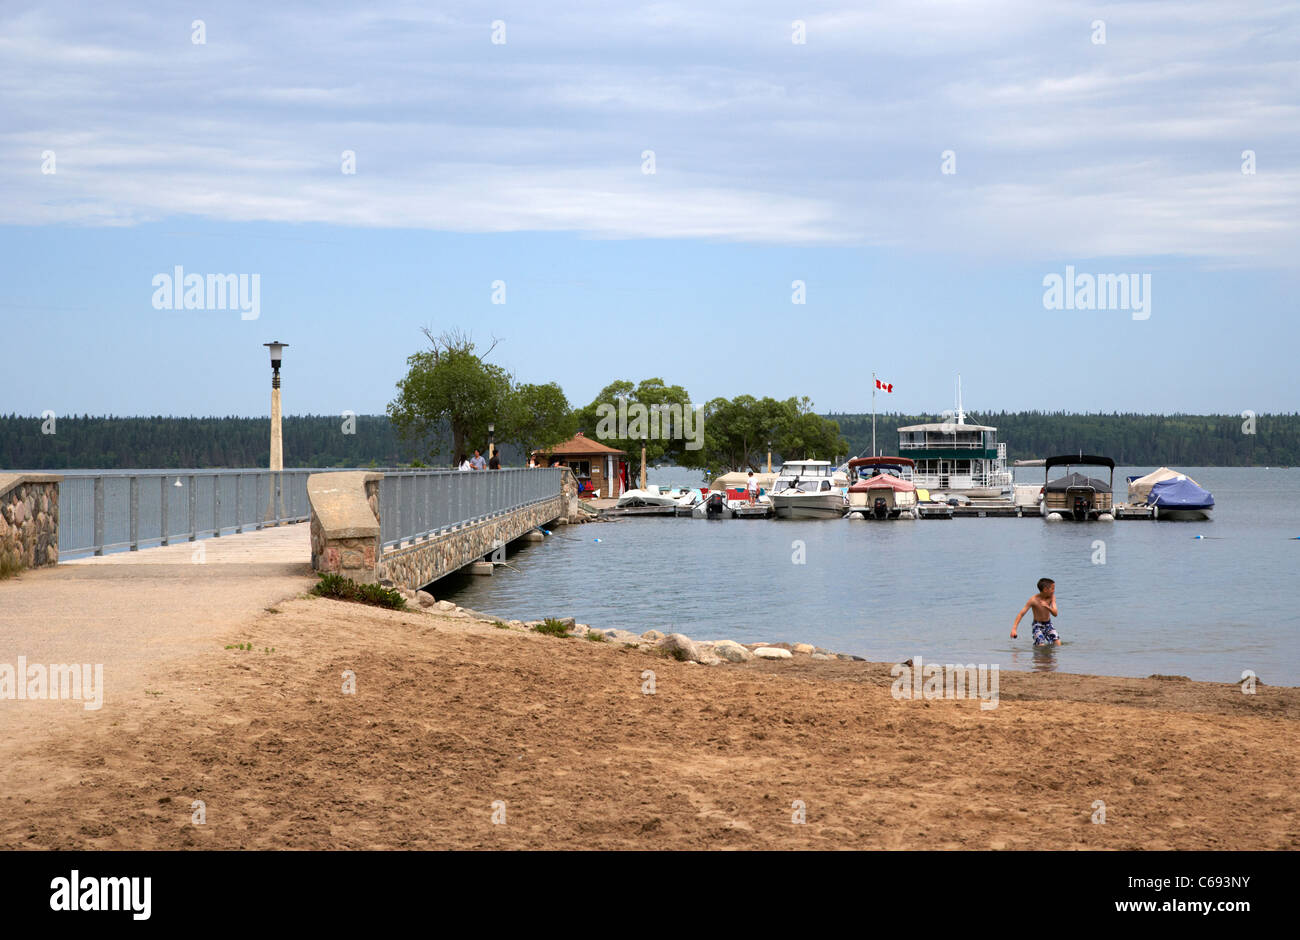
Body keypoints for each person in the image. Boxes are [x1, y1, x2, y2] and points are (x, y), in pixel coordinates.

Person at [1011, 577, 1060, 646]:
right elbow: (1021, 614)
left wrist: (1047, 607)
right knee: (1041, 644)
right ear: (1045, 590)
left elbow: (1055, 614)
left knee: (1057, 643)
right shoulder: (1033, 600)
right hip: (1037, 625)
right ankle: (1038, 653)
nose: (1054, 591)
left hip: (1048, 624)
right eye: (1052, 589)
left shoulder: (1052, 597)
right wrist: (1014, 629)